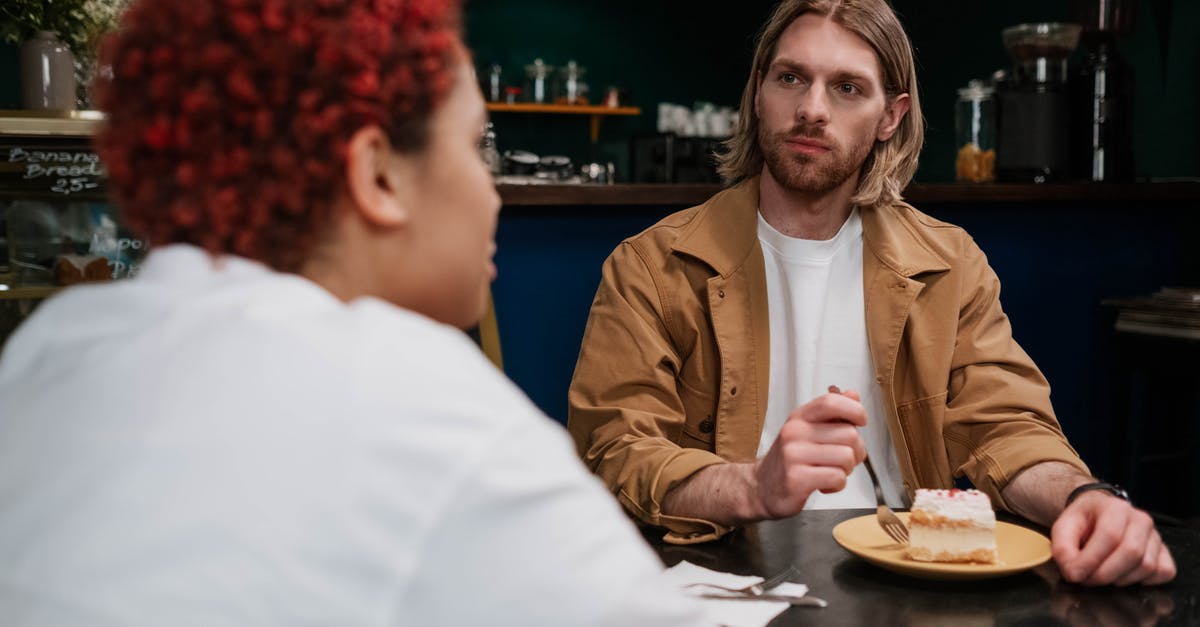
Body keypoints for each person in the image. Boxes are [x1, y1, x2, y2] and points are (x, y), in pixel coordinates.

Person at [0, 1, 707, 624]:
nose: (492, 194)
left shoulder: (52, 348)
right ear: (377, 173)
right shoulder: (425, 405)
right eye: (472, 147)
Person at [568, 0, 1174, 587]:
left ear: (892, 115)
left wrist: (1083, 498)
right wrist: (753, 486)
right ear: (758, 92)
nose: (811, 109)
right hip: (719, 578)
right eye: (790, 78)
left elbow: (1006, 426)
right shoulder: (650, 266)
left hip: (902, 578)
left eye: (847, 88)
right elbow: (616, 450)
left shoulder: (949, 264)